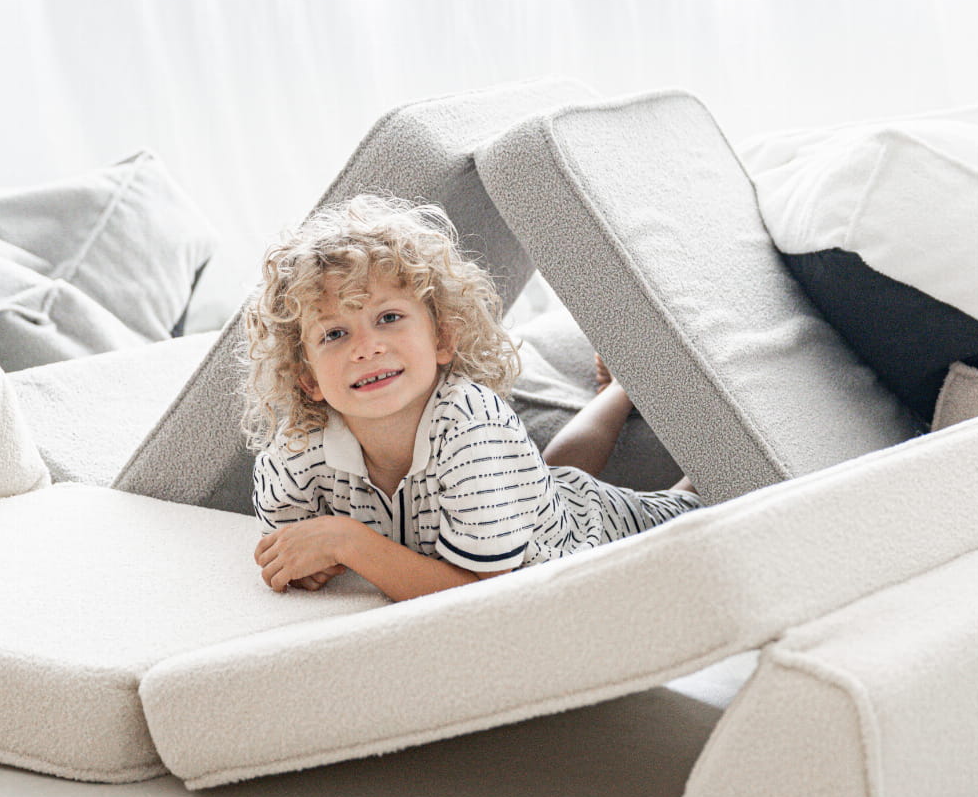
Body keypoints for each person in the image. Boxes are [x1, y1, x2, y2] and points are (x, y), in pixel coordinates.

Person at [239, 194, 703, 601]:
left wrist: (347, 543)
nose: (367, 347)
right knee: (550, 478)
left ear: (442, 339)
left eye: (388, 318)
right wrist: (307, 564)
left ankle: (643, 415)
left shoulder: (474, 426)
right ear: (309, 379)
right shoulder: (296, 451)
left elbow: (482, 594)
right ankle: (620, 390)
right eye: (335, 334)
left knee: (686, 507)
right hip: (524, 496)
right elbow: (288, 548)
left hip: (586, 538)